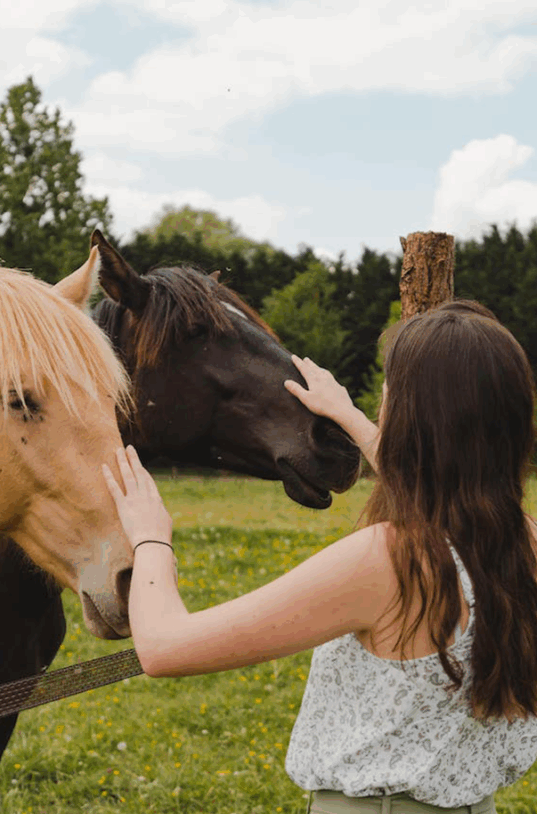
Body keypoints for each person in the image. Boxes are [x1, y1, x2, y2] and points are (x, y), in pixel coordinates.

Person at [102, 300, 537, 814]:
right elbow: (445, 487)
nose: (382, 409)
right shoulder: (521, 545)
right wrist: (350, 418)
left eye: (388, 398)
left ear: (413, 422)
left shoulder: (387, 560)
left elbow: (163, 648)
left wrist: (152, 539)